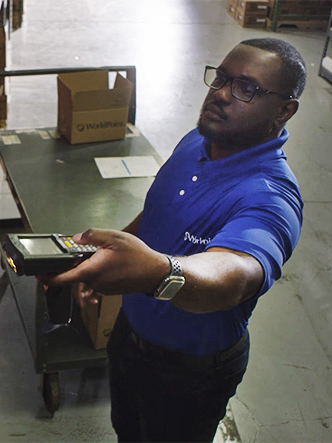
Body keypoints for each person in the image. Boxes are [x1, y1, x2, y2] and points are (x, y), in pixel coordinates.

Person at [39, 38, 306, 442]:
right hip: (129, 338)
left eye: (246, 88)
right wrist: (106, 254)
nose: (219, 94)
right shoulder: (197, 142)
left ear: (285, 110)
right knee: (127, 430)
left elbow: (234, 273)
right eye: (220, 78)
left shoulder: (270, 196)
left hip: (190, 375)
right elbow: (158, 212)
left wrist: (158, 272)